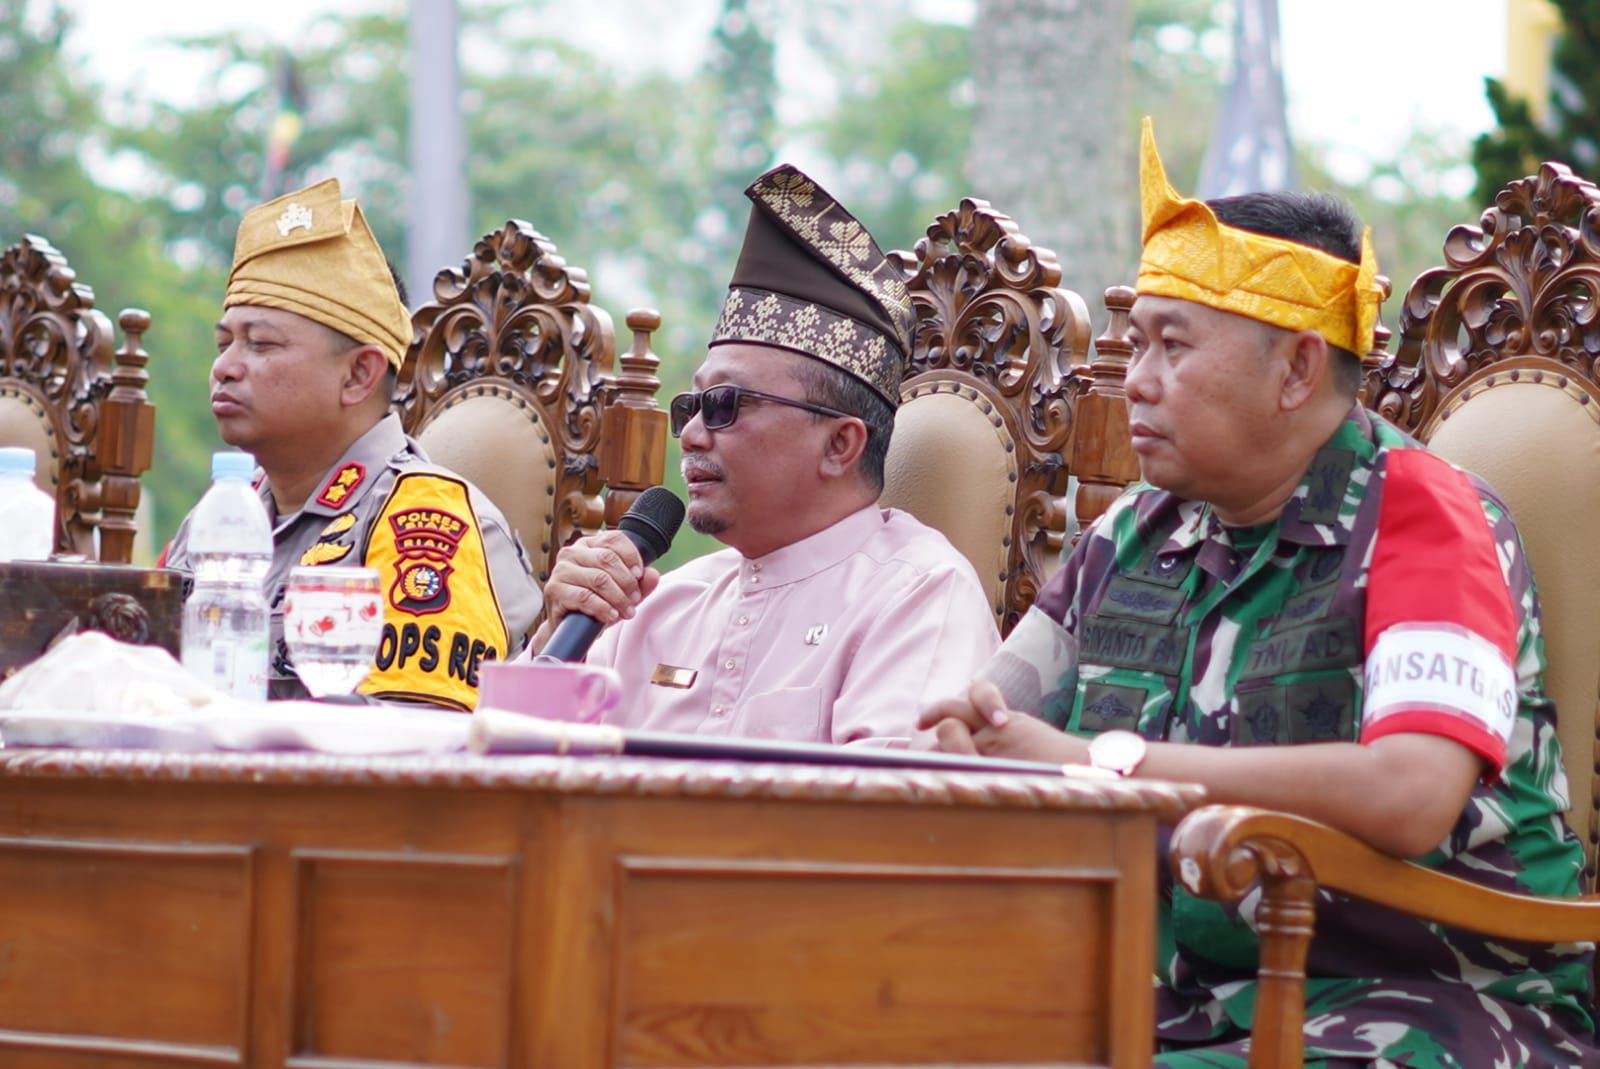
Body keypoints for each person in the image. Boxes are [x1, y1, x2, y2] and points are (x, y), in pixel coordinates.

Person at [922, 119, 1598, 1067]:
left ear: (1295, 369)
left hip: (1424, 1001)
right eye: (1136, 344)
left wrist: (1099, 764)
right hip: (1172, 996)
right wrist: (967, 730)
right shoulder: (1130, 534)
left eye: (1172, 346)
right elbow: (996, 714)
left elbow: (1411, 794)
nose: (1136, 382)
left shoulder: (1426, 513)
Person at [530, 163, 998, 745]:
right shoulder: (657, 605)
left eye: (725, 404)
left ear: (839, 444)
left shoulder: (918, 594)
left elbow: (888, 820)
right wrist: (556, 635)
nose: (694, 435)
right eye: (691, 406)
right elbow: (509, 783)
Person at [164, 178, 541, 709]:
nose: (224, 369)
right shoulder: (222, 515)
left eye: (262, 344)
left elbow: (415, 744)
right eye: (224, 343)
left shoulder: (424, 521)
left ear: (359, 375)